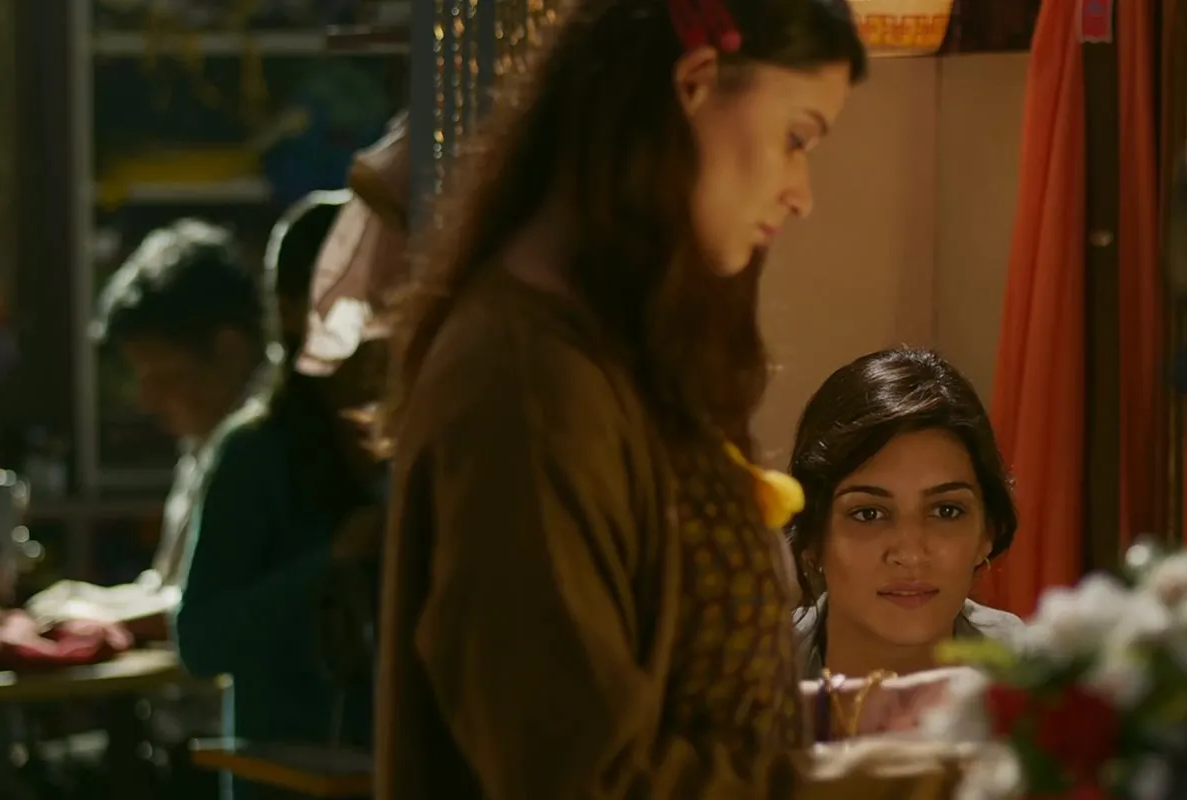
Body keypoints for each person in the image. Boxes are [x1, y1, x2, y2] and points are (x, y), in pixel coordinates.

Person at [377, 0, 960, 796]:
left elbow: (683, 705)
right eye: (796, 139)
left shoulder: (618, 354)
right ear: (695, 84)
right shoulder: (529, 388)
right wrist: (911, 778)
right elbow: (586, 779)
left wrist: (881, 720)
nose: (801, 193)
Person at [170, 194, 388, 765]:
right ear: (292, 311)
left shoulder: (407, 445)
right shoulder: (254, 454)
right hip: (287, 780)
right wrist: (330, 563)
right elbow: (201, 641)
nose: (379, 317)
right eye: (355, 294)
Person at [26, 220, 270, 638]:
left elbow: (212, 608)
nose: (148, 401)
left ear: (229, 349)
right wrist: (89, 600)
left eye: (166, 377)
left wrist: (95, 617)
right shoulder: (202, 440)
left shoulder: (264, 445)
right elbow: (166, 586)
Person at [787, 348, 1022, 681]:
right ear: (812, 536)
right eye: (868, 514)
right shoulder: (742, 683)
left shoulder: (1039, 681)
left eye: (946, 511)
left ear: (987, 532)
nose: (911, 554)